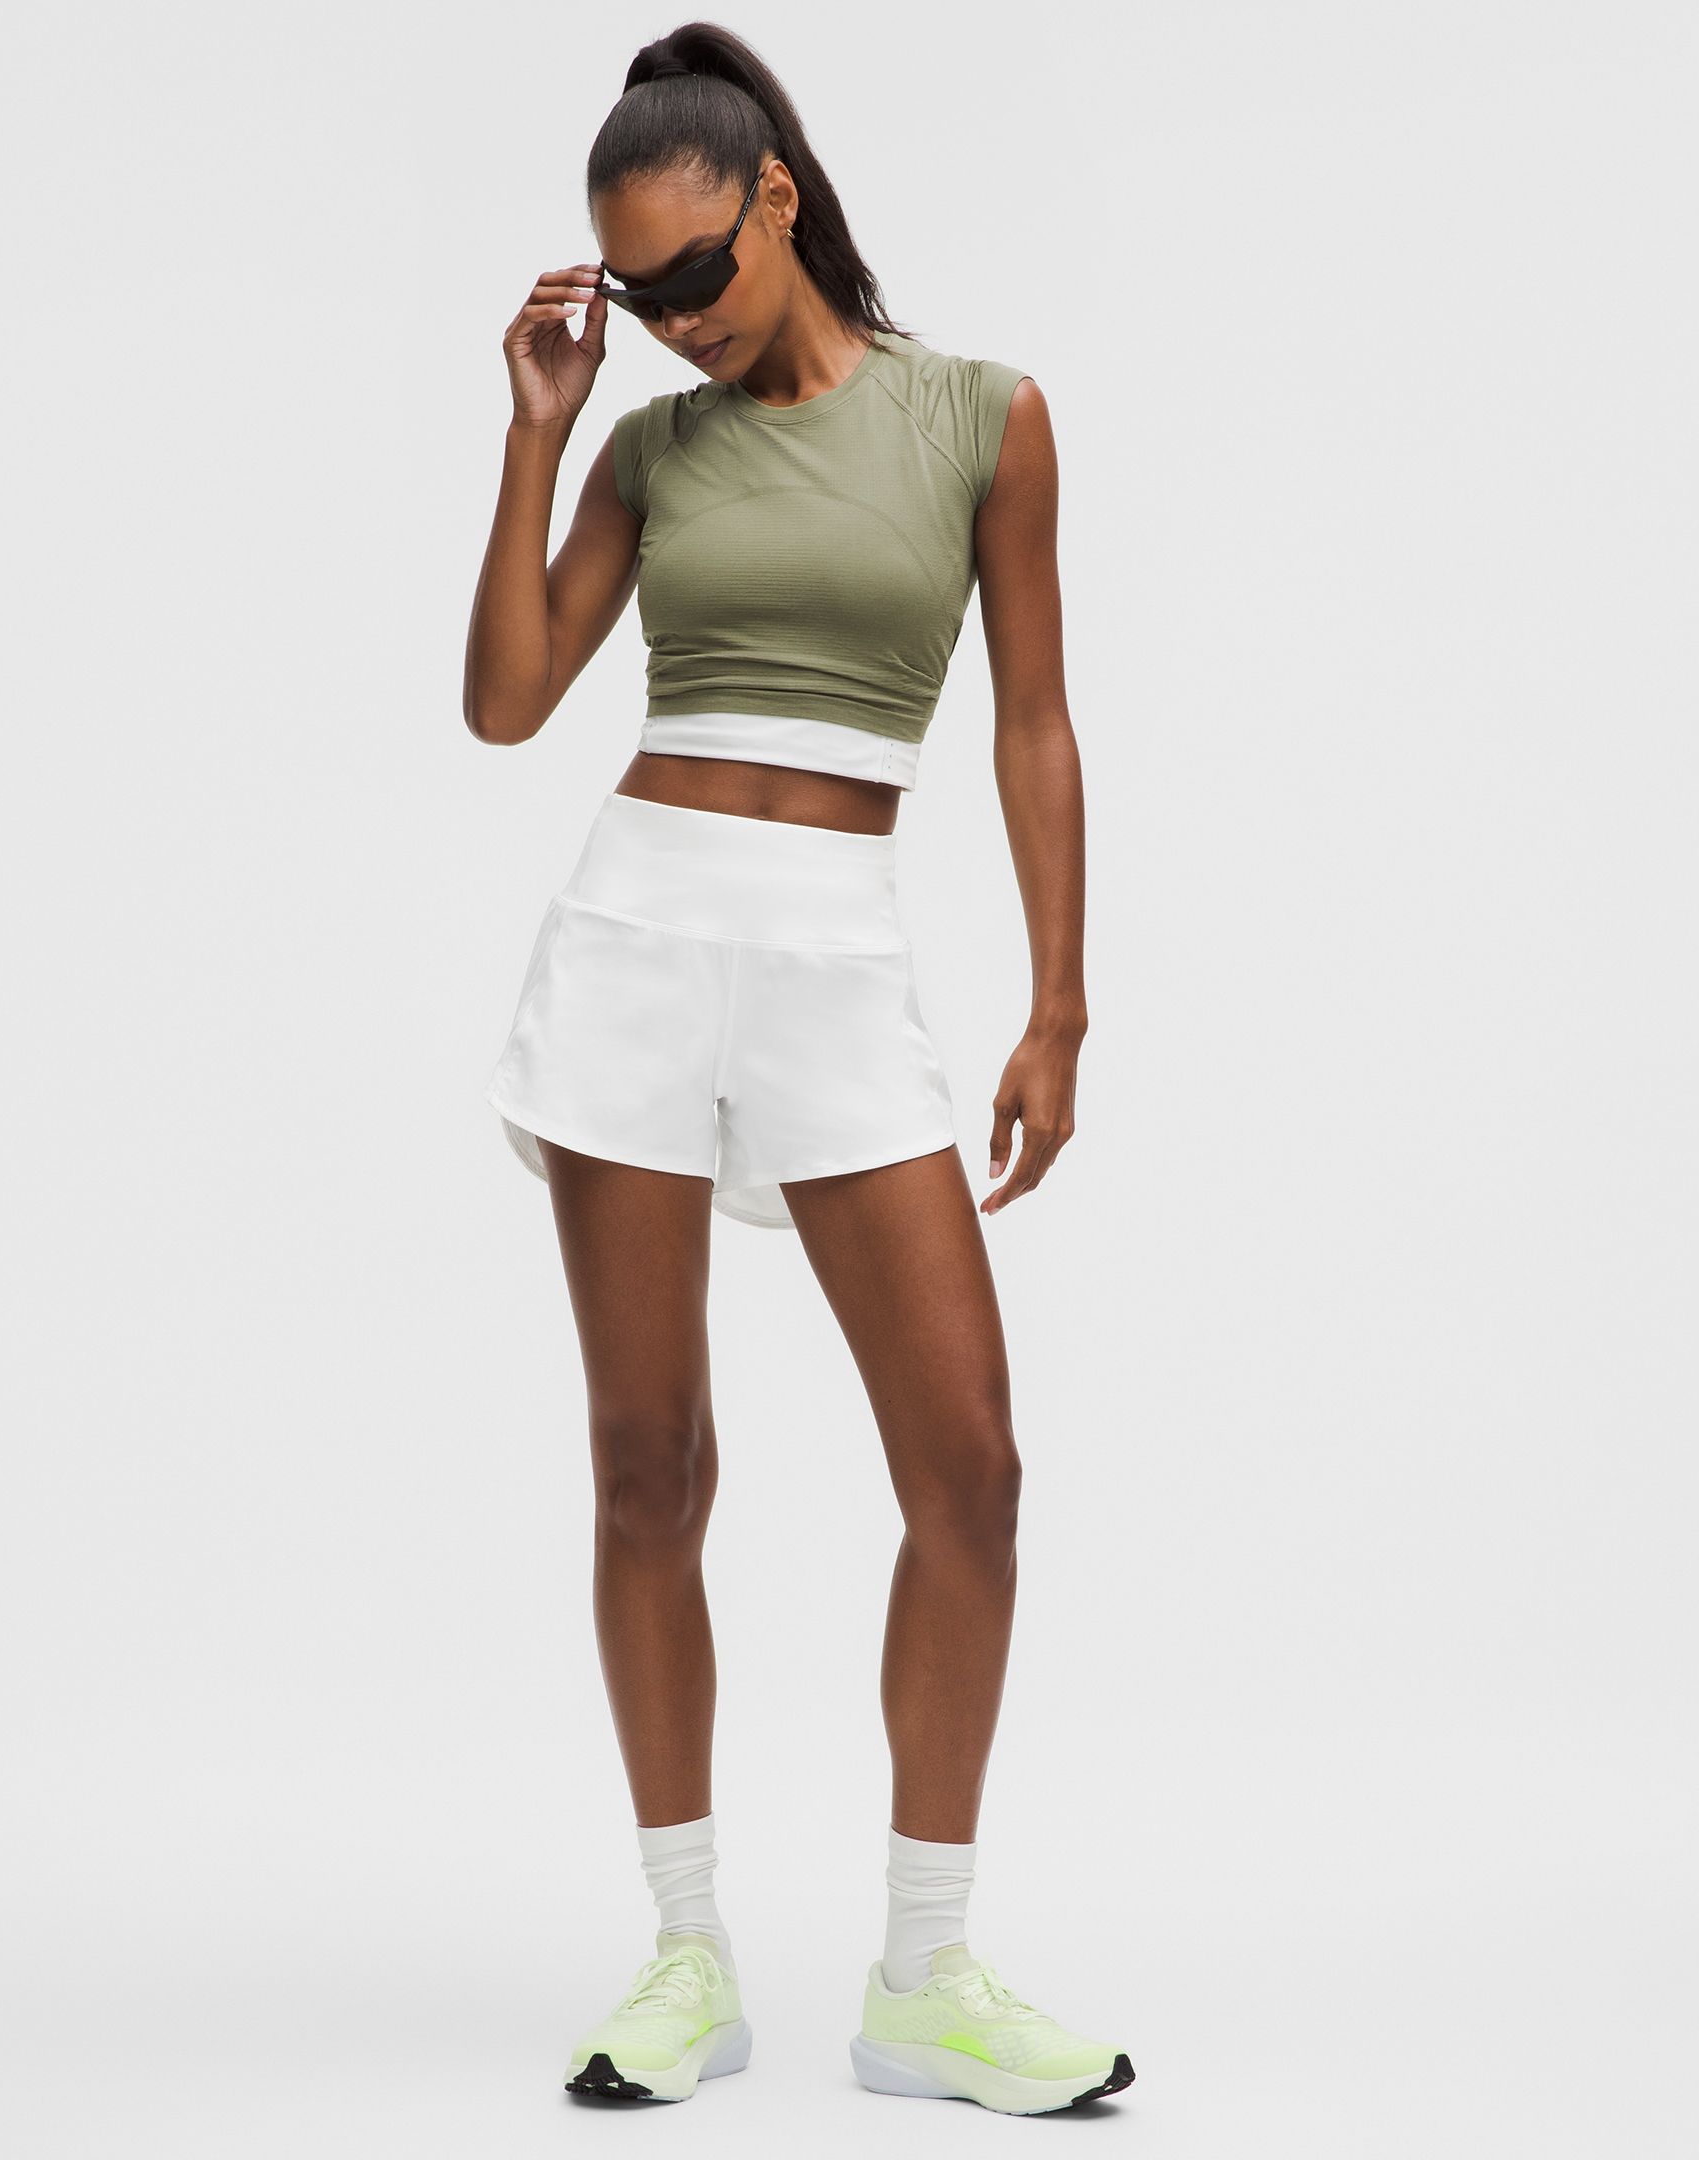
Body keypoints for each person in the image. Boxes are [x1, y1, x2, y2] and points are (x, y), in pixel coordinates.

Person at [463, 22, 1135, 2118]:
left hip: (840, 957)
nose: (671, 320)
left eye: (695, 274)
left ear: (774, 198)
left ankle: (925, 1977)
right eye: (635, 290)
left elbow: (1034, 720)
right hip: (639, 944)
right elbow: (506, 703)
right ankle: (686, 1954)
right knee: (650, 1465)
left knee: (972, 1474)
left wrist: (1058, 1003)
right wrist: (538, 437)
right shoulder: (647, 448)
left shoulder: (983, 417)